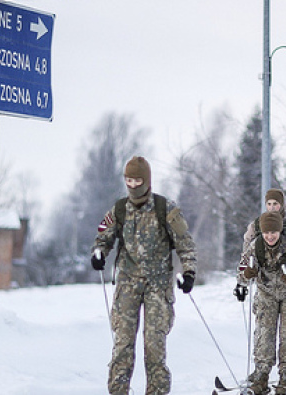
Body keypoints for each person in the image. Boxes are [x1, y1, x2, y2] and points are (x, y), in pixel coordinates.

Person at [90, 156, 198, 395]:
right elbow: (103, 238)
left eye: (138, 180)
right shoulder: (119, 209)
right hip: (127, 283)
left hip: (157, 286)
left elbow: (185, 243)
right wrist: (99, 253)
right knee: (122, 346)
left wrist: (188, 271)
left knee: (155, 346)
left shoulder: (164, 208)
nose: (133, 185)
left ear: (147, 181)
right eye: (129, 180)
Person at [235, 189, 286, 381]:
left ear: (282, 204)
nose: (273, 207)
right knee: (264, 331)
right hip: (266, 288)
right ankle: (262, 369)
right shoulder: (256, 228)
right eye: (269, 204)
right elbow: (246, 256)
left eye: (276, 204)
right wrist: (245, 278)